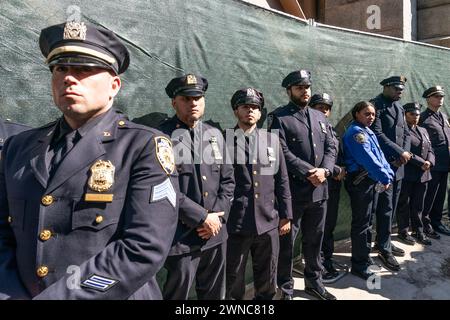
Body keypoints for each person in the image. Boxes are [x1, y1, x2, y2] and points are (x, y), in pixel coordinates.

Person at [0, 21, 178, 299]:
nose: (69, 78)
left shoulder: (143, 146)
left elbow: (143, 247)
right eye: (60, 68)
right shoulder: (17, 148)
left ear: (114, 85)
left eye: (84, 69)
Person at [158, 74, 235, 300]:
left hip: (215, 235)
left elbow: (228, 181)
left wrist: (217, 219)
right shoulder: (160, 137)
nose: (193, 103)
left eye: (198, 98)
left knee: (214, 295)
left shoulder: (214, 135)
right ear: (174, 103)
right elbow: (162, 188)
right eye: (186, 99)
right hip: (181, 237)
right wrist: (202, 217)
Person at [269, 69, 336, 300]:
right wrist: (310, 172)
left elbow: (331, 147)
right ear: (289, 91)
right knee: (287, 244)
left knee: (314, 242)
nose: (305, 91)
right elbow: (281, 152)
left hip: (320, 192)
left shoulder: (320, 116)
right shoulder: (279, 117)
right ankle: (285, 288)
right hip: (294, 193)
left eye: (307, 87)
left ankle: (314, 283)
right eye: (299, 88)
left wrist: (325, 170)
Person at [225, 88, 292, 300]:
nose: (250, 111)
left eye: (255, 107)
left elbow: (282, 180)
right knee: (233, 277)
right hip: (237, 222)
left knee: (268, 276)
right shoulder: (224, 141)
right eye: (245, 107)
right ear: (236, 111)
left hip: (268, 221)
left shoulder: (272, 140)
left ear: (260, 112)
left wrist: (286, 215)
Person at [343, 101, 395, 279]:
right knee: (361, 224)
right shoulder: (357, 133)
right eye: (367, 113)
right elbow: (369, 160)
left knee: (367, 222)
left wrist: (387, 174)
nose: (371, 117)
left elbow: (380, 156)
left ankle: (364, 256)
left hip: (370, 181)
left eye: (373, 114)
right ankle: (359, 264)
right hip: (361, 183)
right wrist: (385, 177)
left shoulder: (367, 131)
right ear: (356, 113)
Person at [369, 76, 411, 266]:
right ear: (385, 87)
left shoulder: (399, 108)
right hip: (384, 166)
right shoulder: (376, 105)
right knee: (384, 209)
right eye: (396, 88)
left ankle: (384, 241)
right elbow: (377, 134)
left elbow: (407, 133)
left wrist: (406, 153)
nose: (399, 91)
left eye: (401, 89)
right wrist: (398, 152)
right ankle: (383, 249)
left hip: (399, 166)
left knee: (392, 207)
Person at [309, 93, 346, 281]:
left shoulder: (332, 130)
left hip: (333, 186)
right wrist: (336, 169)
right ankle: (316, 263)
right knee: (315, 230)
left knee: (328, 226)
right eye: (319, 107)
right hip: (316, 185)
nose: (323, 110)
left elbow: (335, 153)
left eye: (326, 108)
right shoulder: (309, 129)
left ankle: (327, 258)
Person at [396, 103, 434, 246]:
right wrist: (421, 162)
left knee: (418, 205)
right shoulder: (402, 131)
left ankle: (418, 230)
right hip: (408, 173)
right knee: (404, 204)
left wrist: (429, 162)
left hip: (423, 174)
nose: (415, 117)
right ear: (405, 115)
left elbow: (430, 148)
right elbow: (405, 151)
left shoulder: (423, 130)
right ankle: (403, 231)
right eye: (412, 114)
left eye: (417, 114)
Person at [419, 86, 450, 237]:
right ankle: (426, 224)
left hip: (445, 163)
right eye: (437, 96)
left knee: (440, 196)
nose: (440, 99)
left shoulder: (443, 116)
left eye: (442, 96)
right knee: (429, 196)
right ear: (428, 99)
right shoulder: (423, 117)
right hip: (432, 164)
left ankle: (437, 221)